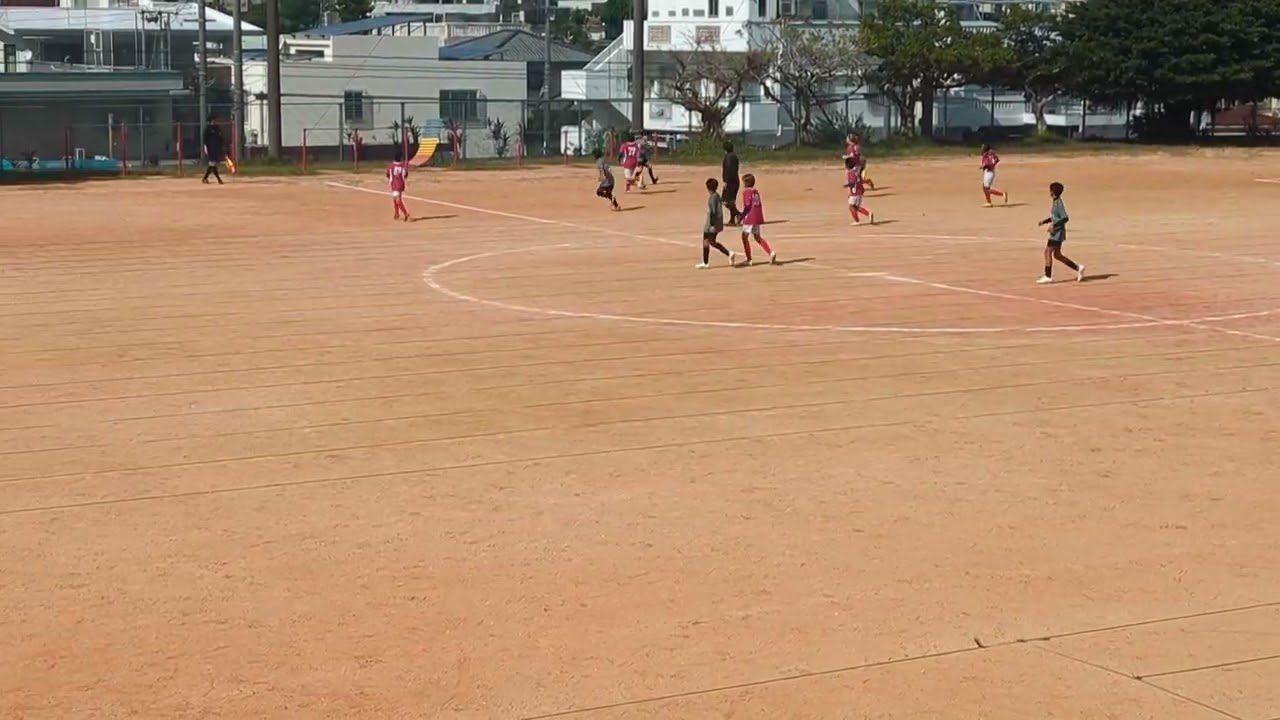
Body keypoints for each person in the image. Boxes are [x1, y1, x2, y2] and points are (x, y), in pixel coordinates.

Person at [1036, 181, 1084, 284]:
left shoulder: (1058, 203)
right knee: (1057, 255)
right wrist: (1045, 221)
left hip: (1057, 233)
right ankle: (1078, 268)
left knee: (1047, 252)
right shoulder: (1055, 202)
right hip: (1056, 233)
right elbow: (1055, 217)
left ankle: (1048, 276)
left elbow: (1065, 218)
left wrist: (1055, 225)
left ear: (1052, 192)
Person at [737, 173, 777, 265]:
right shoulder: (755, 191)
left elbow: (747, 206)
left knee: (744, 237)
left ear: (746, 183)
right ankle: (771, 252)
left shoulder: (747, 192)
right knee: (757, 237)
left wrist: (741, 216)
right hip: (757, 216)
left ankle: (749, 259)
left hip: (750, 217)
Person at [697, 178, 735, 269]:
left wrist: (712, 225)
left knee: (707, 241)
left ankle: (706, 262)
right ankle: (729, 254)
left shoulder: (712, 198)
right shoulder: (717, 196)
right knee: (711, 242)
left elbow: (713, 212)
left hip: (711, 225)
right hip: (715, 223)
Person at [844, 156, 874, 225]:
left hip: (855, 192)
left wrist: (847, 186)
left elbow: (853, 182)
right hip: (859, 191)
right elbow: (859, 181)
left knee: (851, 206)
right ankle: (868, 213)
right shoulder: (856, 172)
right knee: (855, 207)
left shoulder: (850, 173)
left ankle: (857, 221)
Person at [721, 141, 741, 225]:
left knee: (726, 201)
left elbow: (728, 170)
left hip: (731, 182)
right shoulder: (734, 156)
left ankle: (738, 214)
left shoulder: (728, 157)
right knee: (731, 201)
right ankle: (732, 220)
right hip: (735, 181)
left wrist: (726, 181)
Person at [387, 150, 410, 221]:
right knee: (395, 199)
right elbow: (405, 175)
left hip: (394, 184)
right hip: (400, 184)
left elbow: (387, 174)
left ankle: (405, 213)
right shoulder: (402, 166)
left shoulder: (391, 166)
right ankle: (396, 213)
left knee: (398, 200)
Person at [202, 115, 225, 185]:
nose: (214, 121)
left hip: (216, 148)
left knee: (212, 164)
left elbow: (220, 138)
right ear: (210, 121)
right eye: (213, 120)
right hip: (210, 148)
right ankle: (218, 179)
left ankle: (205, 178)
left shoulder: (217, 128)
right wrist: (205, 147)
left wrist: (222, 146)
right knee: (212, 163)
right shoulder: (208, 128)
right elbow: (205, 139)